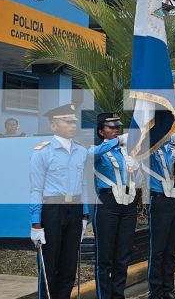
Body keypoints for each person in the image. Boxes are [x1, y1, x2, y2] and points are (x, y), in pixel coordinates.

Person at [29, 104, 89, 299]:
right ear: (54, 126)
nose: (73, 125)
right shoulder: (43, 152)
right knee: (49, 262)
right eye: (68, 121)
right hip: (52, 209)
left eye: (74, 121)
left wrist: (84, 215)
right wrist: (36, 223)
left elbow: (84, 185)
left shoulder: (81, 151)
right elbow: (36, 190)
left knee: (69, 263)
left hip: (75, 209)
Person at [90, 113, 142, 299]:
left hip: (128, 204)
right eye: (111, 127)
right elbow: (91, 155)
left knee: (123, 254)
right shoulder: (97, 150)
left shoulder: (127, 153)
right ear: (101, 131)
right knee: (105, 257)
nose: (115, 130)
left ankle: (118, 294)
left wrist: (137, 168)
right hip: (108, 204)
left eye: (117, 127)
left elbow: (138, 181)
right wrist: (117, 141)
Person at [144, 132, 175, 299]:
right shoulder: (153, 149)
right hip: (160, 200)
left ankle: (168, 288)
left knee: (172, 249)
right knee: (158, 250)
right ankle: (155, 291)